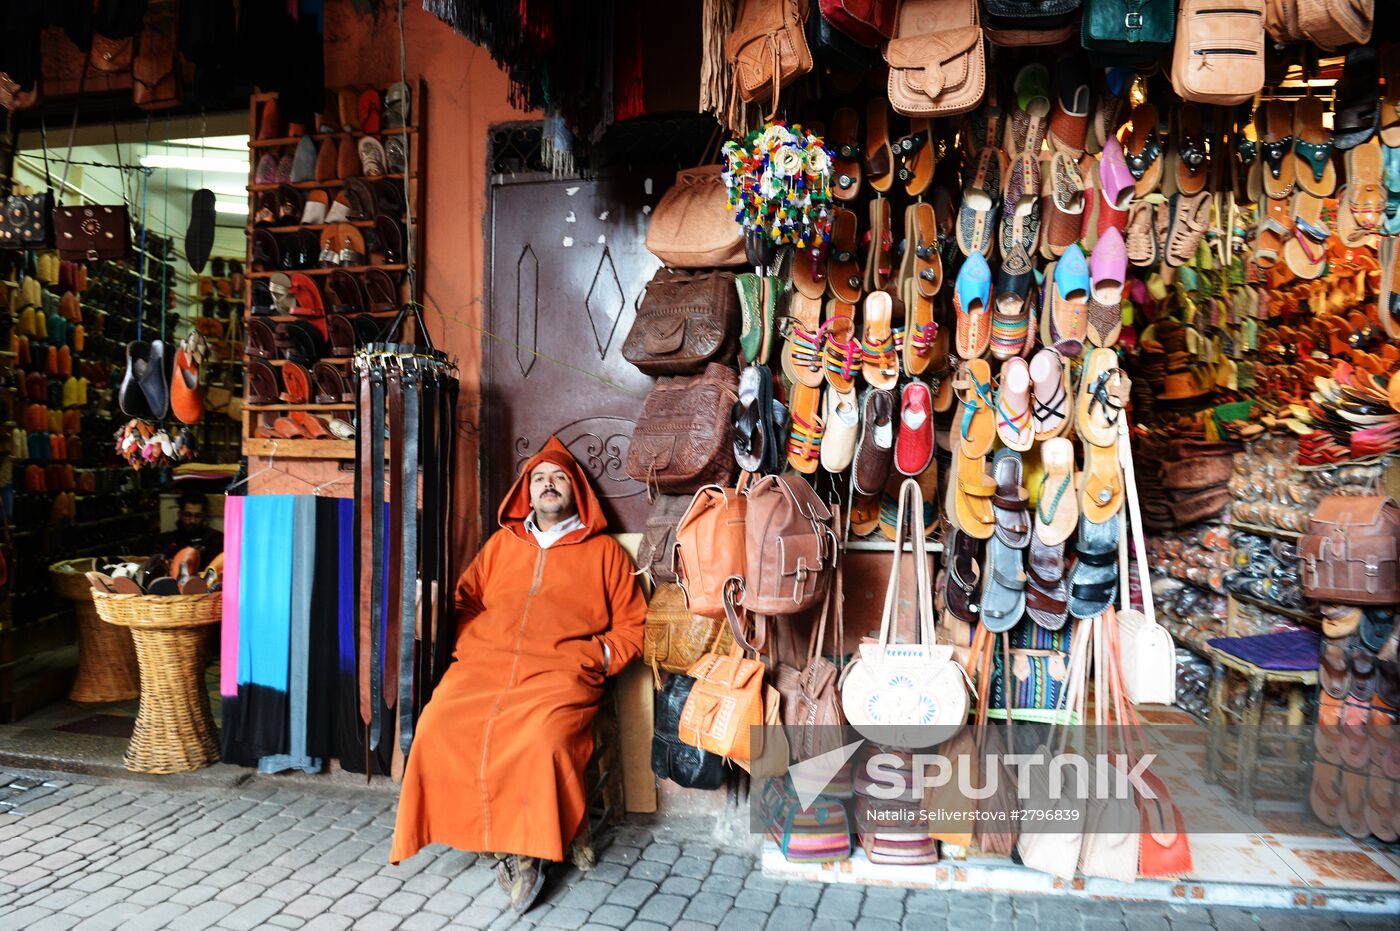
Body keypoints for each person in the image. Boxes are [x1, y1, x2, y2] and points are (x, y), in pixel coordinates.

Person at [390, 436, 646, 912]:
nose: (548, 485)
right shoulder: (501, 544)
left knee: (541, 740)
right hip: (483, 667)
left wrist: (593, 659)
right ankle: (486, 831)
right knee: (436, 725)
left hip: (560, 675)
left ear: (577, 491)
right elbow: (466, 601)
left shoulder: (605, 553)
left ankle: (526, 853)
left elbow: (632, 628)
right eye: (539, 478)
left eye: (559, 477)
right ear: (525, 492)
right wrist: (470, 642)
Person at [160, 490, 224, 563]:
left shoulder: (216, 539)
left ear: (204, 516)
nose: (192, 521)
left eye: (198, 516)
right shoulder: (167, 540)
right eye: (187, 515)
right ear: (180, 515)